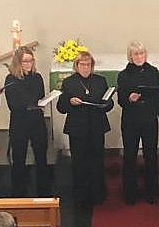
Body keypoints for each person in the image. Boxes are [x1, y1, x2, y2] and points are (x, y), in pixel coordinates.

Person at [57, 51, 113, 219]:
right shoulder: (69, 83)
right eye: (82, 64)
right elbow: (61, 107)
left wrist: (105, 104)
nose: (86, 67)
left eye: (88, 64)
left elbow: (108, 104)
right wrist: (70, 102)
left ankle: (97, 194)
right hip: (77, 129)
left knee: (97, 161)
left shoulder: (100, 81)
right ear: (76, 66)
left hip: (96, 127)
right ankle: (81, 197)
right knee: (79, 163)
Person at [116, 41, 159, 204]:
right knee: (130, 156)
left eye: (142, 54)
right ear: (130, 56)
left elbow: (158, 95)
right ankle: (130, 192)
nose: (139, 57)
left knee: (151, 155)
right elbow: (120, 101)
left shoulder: (153, 71)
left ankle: (151, 191)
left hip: (149, 118)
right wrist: (129, 98)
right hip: (131, 119)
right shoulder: (123, 75)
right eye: (136, 54)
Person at [5, 46, 52, 197]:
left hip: (37, 121)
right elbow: (13, 104)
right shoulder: (11, 79)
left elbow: (40, 96)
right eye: (25, 61)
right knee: (19, 158)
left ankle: (44, 193)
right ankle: (19, 194)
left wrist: (34, 102)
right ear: (18, 62)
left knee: (41, 157)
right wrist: (30, 102)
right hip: (20, 122)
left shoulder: (37, 77)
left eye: (31, 60)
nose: (29, 63)